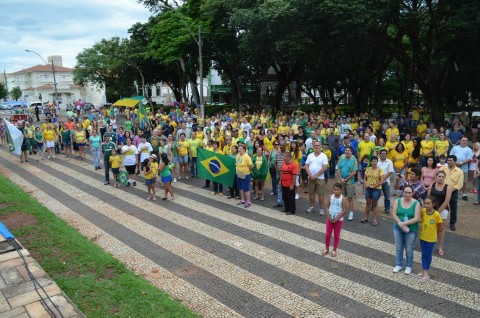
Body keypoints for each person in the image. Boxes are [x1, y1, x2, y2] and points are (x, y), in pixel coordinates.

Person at [391, 185, 421, 275]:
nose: (407, 194)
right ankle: (399, 264)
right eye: (406, 192)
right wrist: (400, 225)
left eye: (409, 193)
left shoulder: (416, 203)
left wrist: (403, 224)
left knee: (409, 248)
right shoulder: (398, 201)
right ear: (403, 192)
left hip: (411, 229)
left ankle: (408, 266)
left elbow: (416, 218)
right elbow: (394, 213)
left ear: (412, 193)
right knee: (399, 247)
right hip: (398, 228)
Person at [427, 170, 452, 256]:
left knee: (441, 229)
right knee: (431, 228)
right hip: (431, 209)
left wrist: (437, 212)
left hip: (442, 210)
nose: (440, 178)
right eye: (439, 176)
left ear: (445, 178)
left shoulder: (447, 187)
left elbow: (446, 201)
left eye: (442, 177)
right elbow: (428, 198)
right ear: (436, 177)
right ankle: (430, 244)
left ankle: (440, 247)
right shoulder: (432, 185)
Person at [418, 196, 442, 282]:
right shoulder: (423, 211)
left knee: (428, 255)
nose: (426, 205)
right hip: (422, 237)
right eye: (425, 203)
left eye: (428, 203)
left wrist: (434, 234)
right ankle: (425, 270)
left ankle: (425, 272)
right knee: (423, 254)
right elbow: (420, 219)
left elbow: (439, 227)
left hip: (431, 239)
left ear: (433, 204)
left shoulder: (436, 215)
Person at [323, 183, 348, 257]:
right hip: (330, 218)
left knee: (336, 235)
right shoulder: (331, 197)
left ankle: (334, 249)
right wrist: (328, 216)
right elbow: (327, 207)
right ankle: (327, 248)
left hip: (338, 220)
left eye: (337, 190)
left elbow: (344, 210)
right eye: (334, 189)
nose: (336, 191)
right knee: (328, 234)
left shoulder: (343, 199)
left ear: (341, 190)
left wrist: (337, 218)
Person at [440, 155, 464, 231]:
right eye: (448, 160)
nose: (448, 162)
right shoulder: (443, 168)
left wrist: (449, 190)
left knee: (453, 208)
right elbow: (437, 177)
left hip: (453, 191)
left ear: (455, 161)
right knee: (439, 205)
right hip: (442, 190)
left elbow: (459, 185)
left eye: (451, 160)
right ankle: (438, 221)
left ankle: (452, 224)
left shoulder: (459, 171)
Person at [305, 140, 329, 214]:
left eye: (318, 145)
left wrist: (316, 175)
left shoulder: (323, 156)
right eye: (315, 145)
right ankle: (311, 207)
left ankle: (321, 209)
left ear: (320, 147)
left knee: (321, 194)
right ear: (313, 146)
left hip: (320, 178)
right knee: (311, 193)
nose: (316, 147)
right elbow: (306, 166)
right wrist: (309, 175)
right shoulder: (310, 155)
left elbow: (325, 167)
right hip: (311, 177)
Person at [336, 146, 358, 221]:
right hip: (341, 181)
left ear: (351, 152)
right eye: (346, 150)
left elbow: (354, 172)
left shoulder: (354, 159)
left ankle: (351, 213)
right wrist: (341, 178)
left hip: (350, 182)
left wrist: (346, 180)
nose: (346, 152)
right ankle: (341, 213)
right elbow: (338, 168)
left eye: (348, 151)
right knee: (341, 197)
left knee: (350, 198)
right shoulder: (341, 157)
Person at [362, 156, 384, 225]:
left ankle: (375, 219)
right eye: (373, 161)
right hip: (368, 188)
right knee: (367, 203)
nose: (374, 162)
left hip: (376, 189)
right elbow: (364, 179)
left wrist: (374, 186)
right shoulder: (368, 169)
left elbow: (382, 181)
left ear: (377, 162)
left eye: (375, 161)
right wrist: (366, 184)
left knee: (375, 204)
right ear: (371, 162)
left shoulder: (380, 170)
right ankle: (366, 217)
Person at [449, 137, 473, 201]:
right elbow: (451, 156)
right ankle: (452, 193)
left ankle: (464, 194)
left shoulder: (469, 149)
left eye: (466, 141)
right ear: (460, 141)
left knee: (464, 182)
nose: (465, 142)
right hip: (454, 167)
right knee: (453, 180)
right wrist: (454, 163)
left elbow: (469, 159)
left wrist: (461, 163)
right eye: (463, 140)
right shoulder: (455, 148)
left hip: (464, 168)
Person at [235, 143, 253, 208]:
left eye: (240, 148)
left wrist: (248, 171)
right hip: (239, 174)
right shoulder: (237, 156)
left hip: (245, 174)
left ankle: (248, 202)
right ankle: (242, 200)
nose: (239, 150)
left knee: (246, 188)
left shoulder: (246, 156)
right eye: (238, 148)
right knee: (241, 187)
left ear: (244, 149)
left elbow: (251, 166)